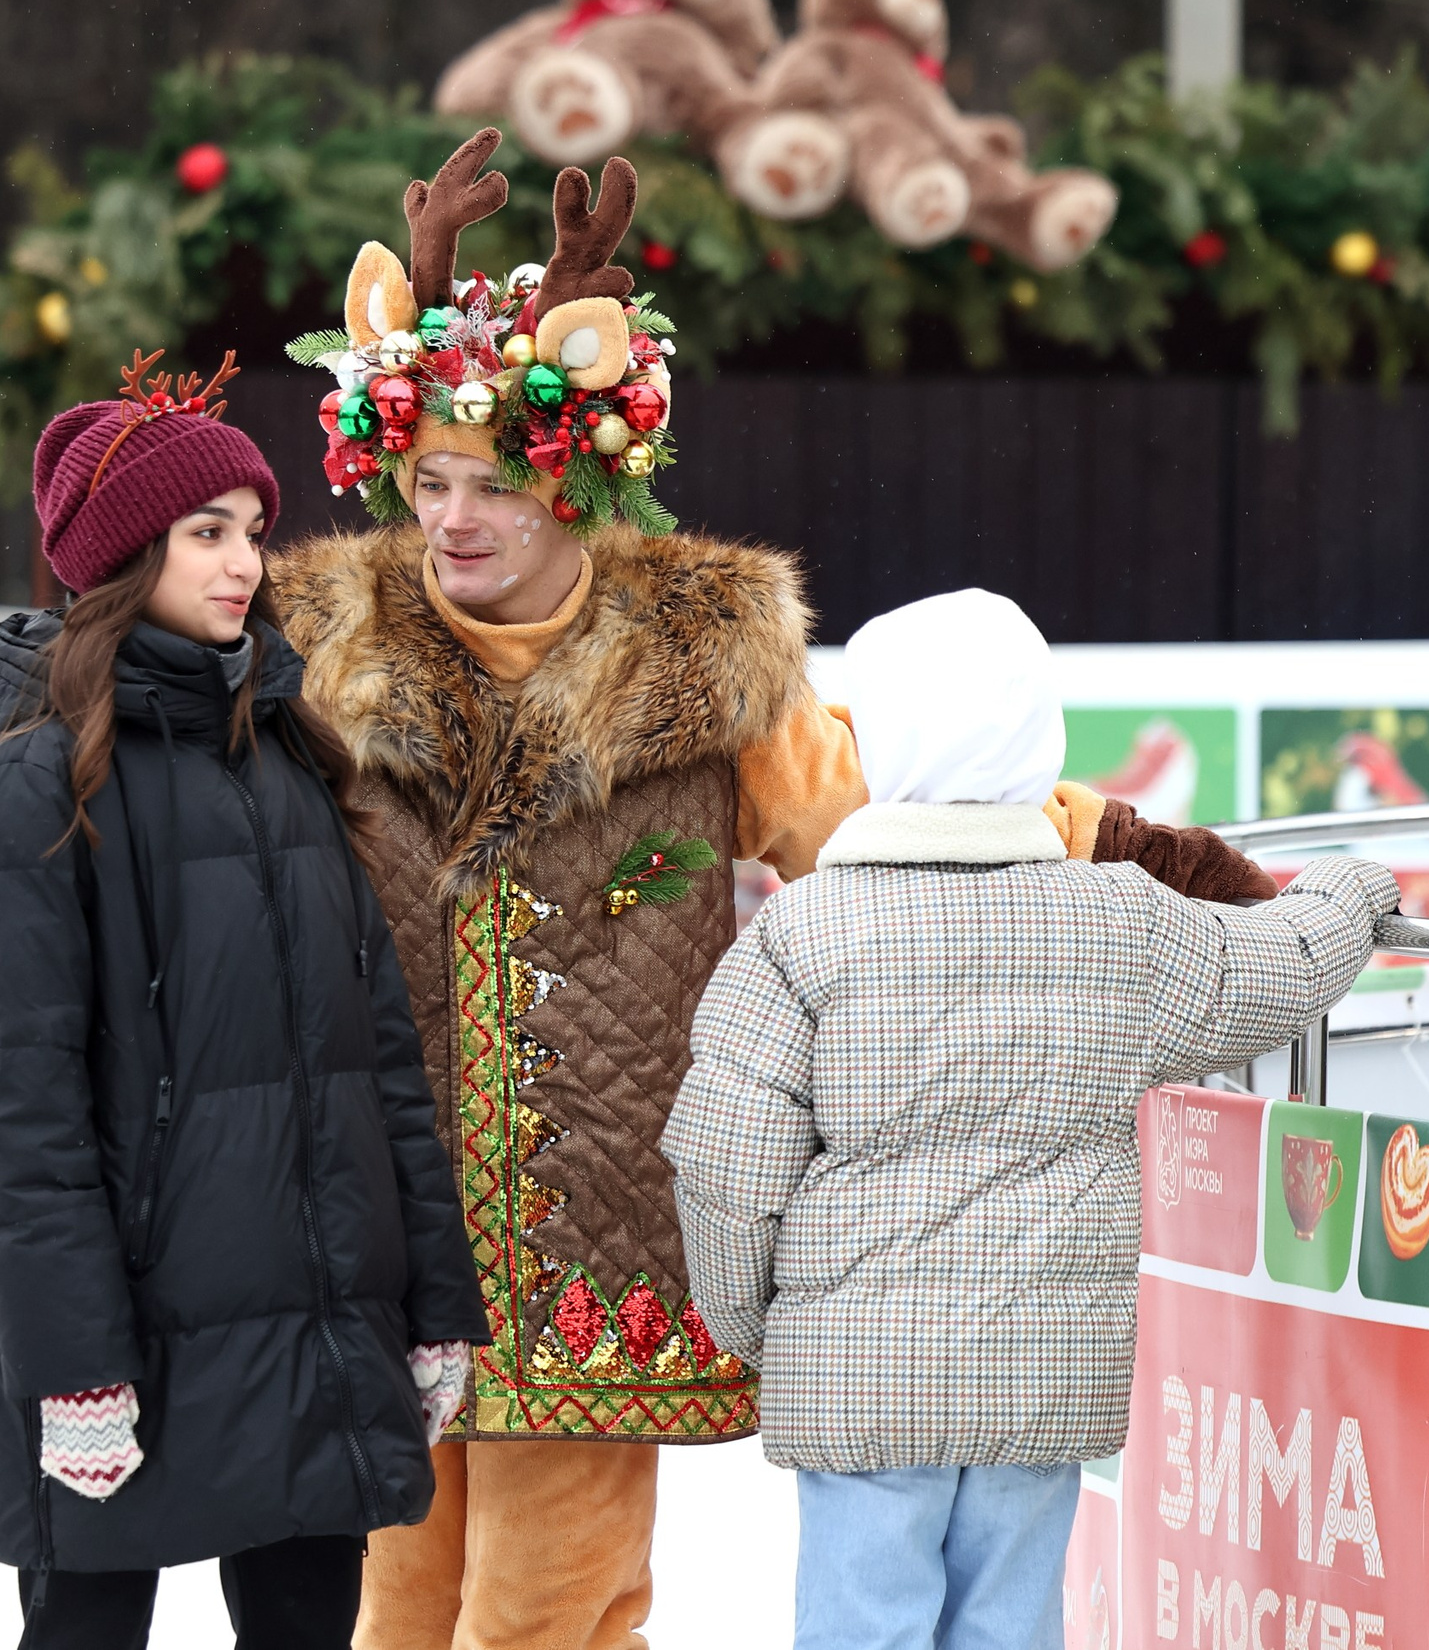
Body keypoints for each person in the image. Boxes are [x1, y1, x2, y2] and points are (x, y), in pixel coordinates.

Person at [271, 132, 1287, 1650]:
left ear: (580, 487)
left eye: (490, 485)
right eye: (428, 483)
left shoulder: (704, 680)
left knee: (545, 1607)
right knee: (402, 1591)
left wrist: (1133, 855)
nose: (453, 521)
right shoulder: (325, 677)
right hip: (383, 1216)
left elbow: (907, 821)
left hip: (591, 1238)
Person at [660, 589, 1400, 1650]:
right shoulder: (1120, 920)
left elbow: (725, 1164)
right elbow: (1275, 965)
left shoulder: (806, 932)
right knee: (1011, 1622)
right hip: (1039, 1371)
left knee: (860, 1624)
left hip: (861, 1369)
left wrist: (754, 1328)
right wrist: (1345, 890)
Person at [0, 351, 490, 1650]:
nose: (243, 562)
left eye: (251, 532)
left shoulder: (287, 764)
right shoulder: (31, 795)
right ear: (127, 555)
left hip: (310, 1329)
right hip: (123, 1344)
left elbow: (379, 1067)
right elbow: (13, 1113)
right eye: (204, 533)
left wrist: (427, 1303)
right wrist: (72, 1366)